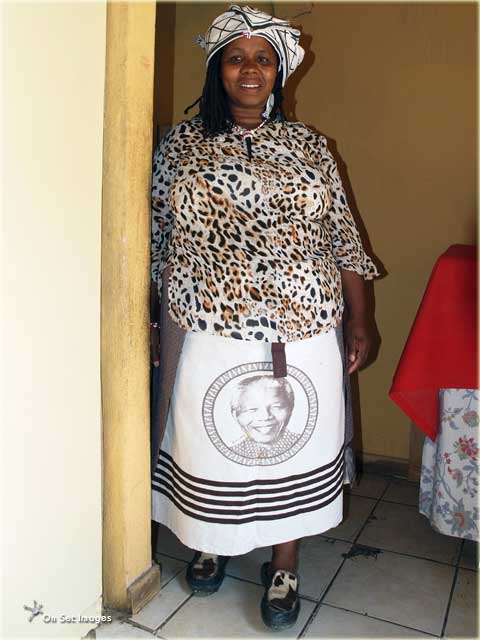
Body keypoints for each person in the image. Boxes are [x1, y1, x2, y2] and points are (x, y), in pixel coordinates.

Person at [149, 5, 379, 630]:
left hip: (302, 327)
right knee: (208, 441)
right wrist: (147, 317)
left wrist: (360, 318)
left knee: (291, 447)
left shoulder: (310, 147)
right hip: (206, 327)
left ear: (279, 71)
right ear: (216, 69)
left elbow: (342, 238)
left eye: (263, 58)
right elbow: (157, 236)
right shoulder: (179, 146)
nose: (250, 70)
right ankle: (208, 541)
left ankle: (284, 559)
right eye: (236, 57)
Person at [229, 375, 298, 459]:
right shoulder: (231, 453)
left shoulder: (307, 446)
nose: (265, 416)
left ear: (290, 409)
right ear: (235, 415)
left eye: (276, 407)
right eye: (252, 409)